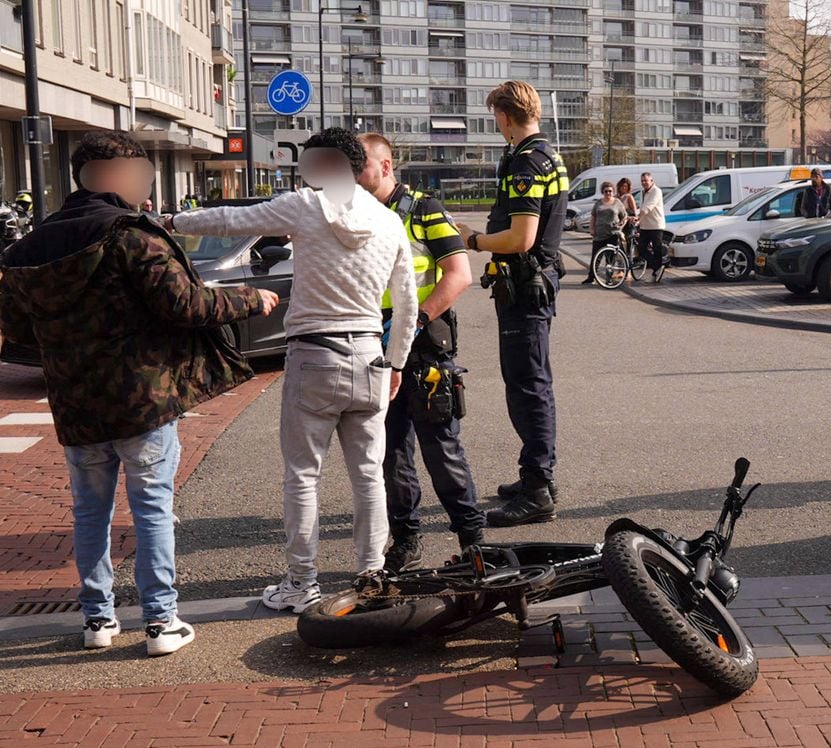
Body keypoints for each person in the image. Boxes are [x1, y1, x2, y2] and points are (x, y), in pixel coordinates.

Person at [0, 130, 277, 655]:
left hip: (76, 401)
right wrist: (248, 297)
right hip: (141, 397)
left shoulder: (29, 247)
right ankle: (159, 622)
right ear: (114, 177)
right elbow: (187, 306)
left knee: (89, 512)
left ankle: (97, 621)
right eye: (140, 177)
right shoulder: (131, 235)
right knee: (150, 507)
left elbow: (15, 326)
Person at [167, 127, 418, 611]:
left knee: (303, 476)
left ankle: (302, 584)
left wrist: (175, 219)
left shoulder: (306, 205)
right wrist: (398, 363)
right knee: (368, 475)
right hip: (370, 355)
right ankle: (372, 574)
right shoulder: (389, 224)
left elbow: (236, 220)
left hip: (313, 355)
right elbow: (406, 304)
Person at [356, 132, 485, 570]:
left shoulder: (424, 209)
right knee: (390, 452)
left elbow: (458, 274)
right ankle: (406, 541)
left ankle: (473, 543)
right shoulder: (353, 215)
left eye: (361, 165)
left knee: (441, 448)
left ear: (386, 166)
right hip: (374, 350)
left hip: (424, 350)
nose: (353, 175)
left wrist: (414, 321)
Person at [456, 81, 569, 528]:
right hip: (533, 282)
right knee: (532, 382)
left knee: (527, 386)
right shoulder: (548, 155)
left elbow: (521, 237)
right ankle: (537, 478)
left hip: (524, 284)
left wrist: (474, 240)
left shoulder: (526, 161)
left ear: (504, 116)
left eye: (495, 118)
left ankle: (538, 489)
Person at [585, 182, 627, 284]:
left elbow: (624, 216)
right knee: (596, 256)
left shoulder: (617, 203)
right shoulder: (598, 203)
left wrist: (621, 225)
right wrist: (591, 228)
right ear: (603, 192)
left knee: (610, 258)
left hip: (612, 233)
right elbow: (593, 216)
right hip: (599, 233)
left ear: (613, 191)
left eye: (610, 191)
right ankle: (591, 277)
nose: (608, 193)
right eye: (606, 191)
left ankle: (609, 278)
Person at [636, 171, 667, 282]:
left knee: (657, 249)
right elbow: (642, 207)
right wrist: (635, 217)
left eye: (646, 180)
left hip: (656, 225)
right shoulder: (643, 192)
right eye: (642, 181)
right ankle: (657, 267)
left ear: (652, 181)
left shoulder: (656, 191)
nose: (644, 183)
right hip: (645, 226)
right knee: (641, 249)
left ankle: (655, 274)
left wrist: (637, 216)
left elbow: (648, 207)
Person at [616, 177, 639, 248]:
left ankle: (629, 256)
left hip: (628, 221)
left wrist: (634, 218)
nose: (623, 188)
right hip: (618, 221)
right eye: (622, 186)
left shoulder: (629, 197)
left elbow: (634, 211)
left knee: (628, 239)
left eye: (626, 186)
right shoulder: (616, 197)